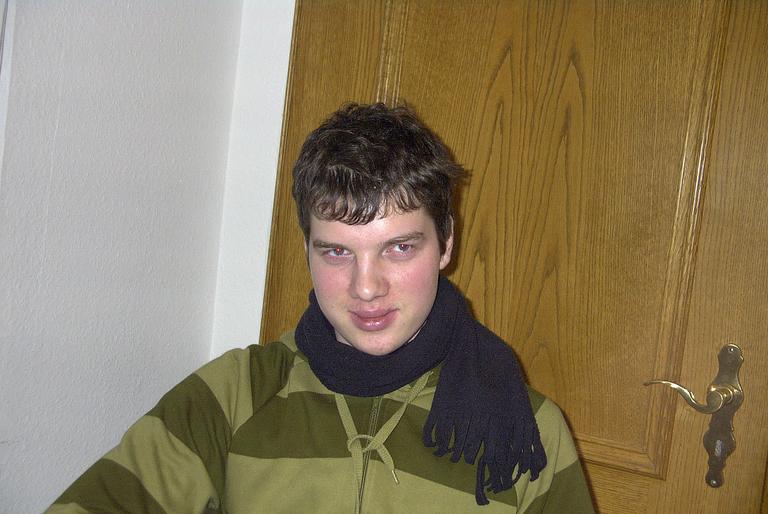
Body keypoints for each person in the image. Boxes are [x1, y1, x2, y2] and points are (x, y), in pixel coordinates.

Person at [47, 103, 594, 513]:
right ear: (306, 248)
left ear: (446, 242)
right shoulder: (234, 397)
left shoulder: (528, 432)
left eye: (399, 248)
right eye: (336, 252)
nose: (366, 288)